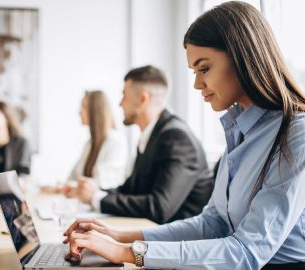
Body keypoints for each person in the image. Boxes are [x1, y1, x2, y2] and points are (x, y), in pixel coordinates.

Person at [62, 2, 305, 269]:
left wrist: (127, 252)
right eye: (194, 72)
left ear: (242, 59)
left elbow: (246, 252)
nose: (197, 84)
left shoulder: (296, 133)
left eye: (204, 69)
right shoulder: (240, 131)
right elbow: (211, 224)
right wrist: (118, 237)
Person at [65, 65, 213, 224]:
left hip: (180, 242)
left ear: (143, 99)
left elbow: (159, 207)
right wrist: (94, 192)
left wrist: (96, 198)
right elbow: (130, 190)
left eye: (124, 95)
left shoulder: (177, 138)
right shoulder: (152, 135)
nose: (120, 103)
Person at [42, 90, 128, 193]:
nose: (79, 112)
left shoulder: (116, 141)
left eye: (84, 106)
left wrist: (65, 187)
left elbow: (102, 183)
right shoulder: (90, 144)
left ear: (95, 110)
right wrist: (58, 187)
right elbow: (73, 176)